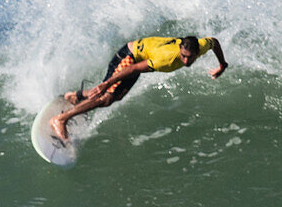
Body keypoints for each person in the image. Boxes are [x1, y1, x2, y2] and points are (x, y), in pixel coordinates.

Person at [51, 35, 228, 140]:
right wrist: (106, 84)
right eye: (184, 56)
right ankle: (61, 119)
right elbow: (133, 68)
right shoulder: (166, 59)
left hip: (139, 58)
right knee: (106, 97)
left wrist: (222, 64)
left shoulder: (201, 45)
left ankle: (75, 96)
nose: (187, 61)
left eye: (191, 57)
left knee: (114, 96)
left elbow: (214, 42)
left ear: (197, 51)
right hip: (129, 57)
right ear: (180, 49)